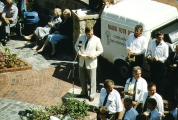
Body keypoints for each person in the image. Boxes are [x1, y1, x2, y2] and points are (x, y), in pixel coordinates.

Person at [74, 24, 103, 102]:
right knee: (82, 78)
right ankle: (84, 92)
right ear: (85, 33)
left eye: (92, 34)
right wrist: (78, 51)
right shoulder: (81, 37)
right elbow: (76, 46)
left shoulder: (97, 39)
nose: (90, 36)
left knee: (92, 79)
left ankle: (92, 94)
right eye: (89, 34)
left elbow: (100, 50)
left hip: (91, 62)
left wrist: (93, 55)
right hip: (82, 61)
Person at [147, 31, 169, 95]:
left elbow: (165, 56)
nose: (161, 38)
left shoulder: (165, 46)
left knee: (160, 80)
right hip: (153, 63)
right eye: (159, 37)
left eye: (162, 37)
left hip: (160, 65)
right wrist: (149, 54)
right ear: (156, 37)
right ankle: (152, 92)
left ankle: (160, 94)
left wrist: (158, 59)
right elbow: (149, 50)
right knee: (153, 78)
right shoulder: (152, 42)